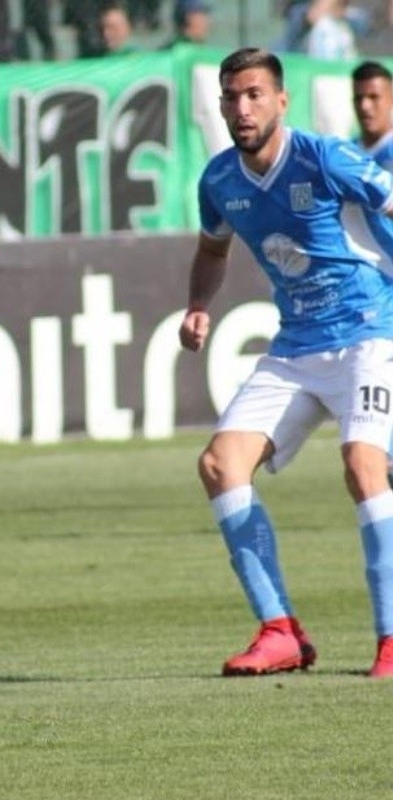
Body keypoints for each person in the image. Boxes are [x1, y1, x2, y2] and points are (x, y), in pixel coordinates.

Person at [178, 47, 393, 678]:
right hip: (297, 346)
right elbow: (213, 250)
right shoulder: (219, 180)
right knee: (219, 464)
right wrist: (196, 303)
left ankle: (391, 637)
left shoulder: (326, 158)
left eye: (253, 95)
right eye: (230, 97)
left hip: (368, 334)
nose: (241, 109)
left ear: (280, 100)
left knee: (362, 463)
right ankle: (280, 631)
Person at [352, 60, 393, 170]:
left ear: (391, 99)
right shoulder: (344, 154)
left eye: (374, 97)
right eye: (358, 98)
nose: (364, 106)